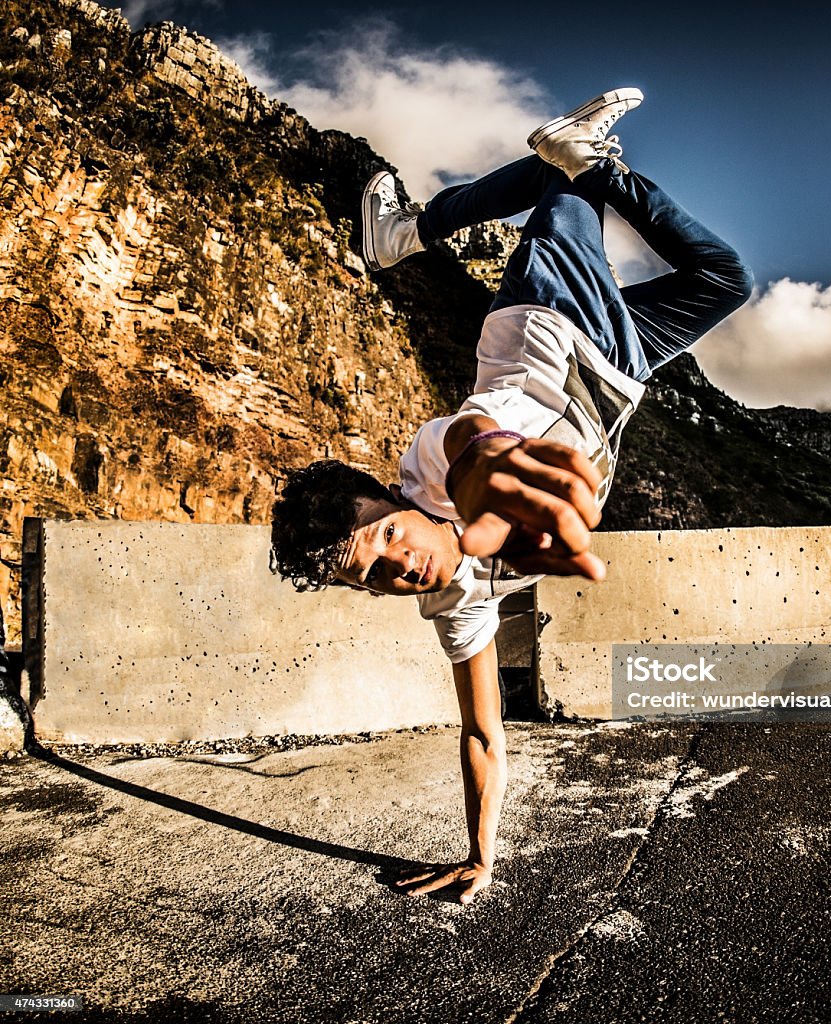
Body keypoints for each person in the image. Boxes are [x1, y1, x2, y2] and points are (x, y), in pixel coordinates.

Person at [270, 88, 752, 903]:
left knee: (567, 176)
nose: (401, 568)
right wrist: (481, 855)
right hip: (618, 368)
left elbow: (471, 442)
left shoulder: (431, 462)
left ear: (396, 503)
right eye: (374, 578)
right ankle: (429, 224)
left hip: (547, 323)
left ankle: (411, 231)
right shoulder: (454, 606)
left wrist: (490, 465)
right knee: (723, 278)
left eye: (386, 538)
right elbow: (483, 735)